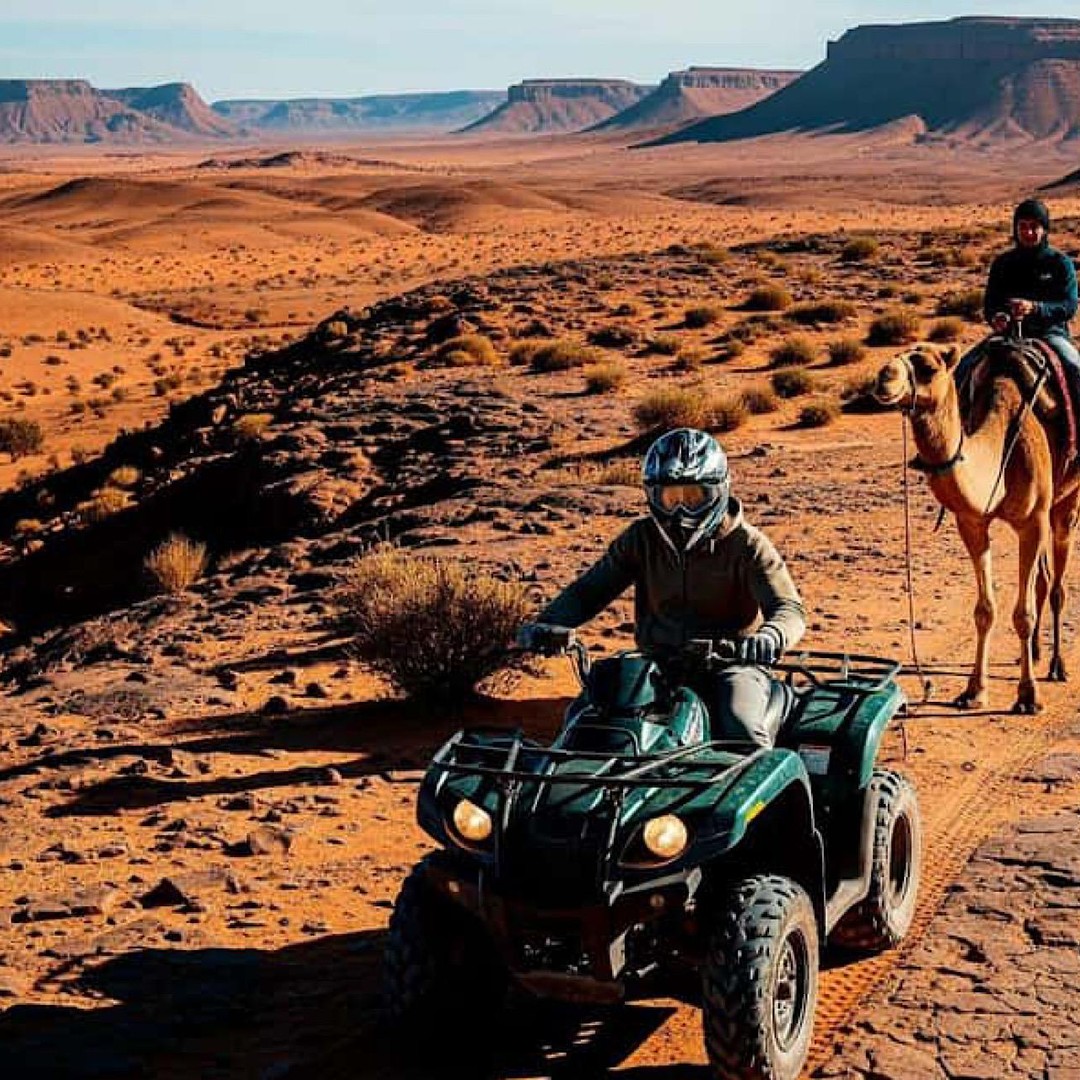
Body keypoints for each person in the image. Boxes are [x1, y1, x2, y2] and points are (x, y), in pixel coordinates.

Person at [517, 428, 806, 748]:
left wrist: (770, 637)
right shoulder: (641, 539)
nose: (681, 510)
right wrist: (547, 624)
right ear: (652, 495)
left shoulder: (747, 544)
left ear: (719, 490)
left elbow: (788, 609)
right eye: (670, 497)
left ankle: (765, 796)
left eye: (694, 496)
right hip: (656, 664)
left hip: (731, 667)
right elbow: (588, 591)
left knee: (741, 729)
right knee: (584, 717)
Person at [957, 198, 1080, 391]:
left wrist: (1035, 308)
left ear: (1045, 229)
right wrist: (997, 317)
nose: (1028, 232)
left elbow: (1069, 305)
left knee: (1075, 367)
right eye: (1022, 226)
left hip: (1050, 334)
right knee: (961, 370)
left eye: (1034, 226)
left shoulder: (1060, 263)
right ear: (1015, 228)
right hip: (1008, 335)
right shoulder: (1003, 263)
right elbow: (991, 303)